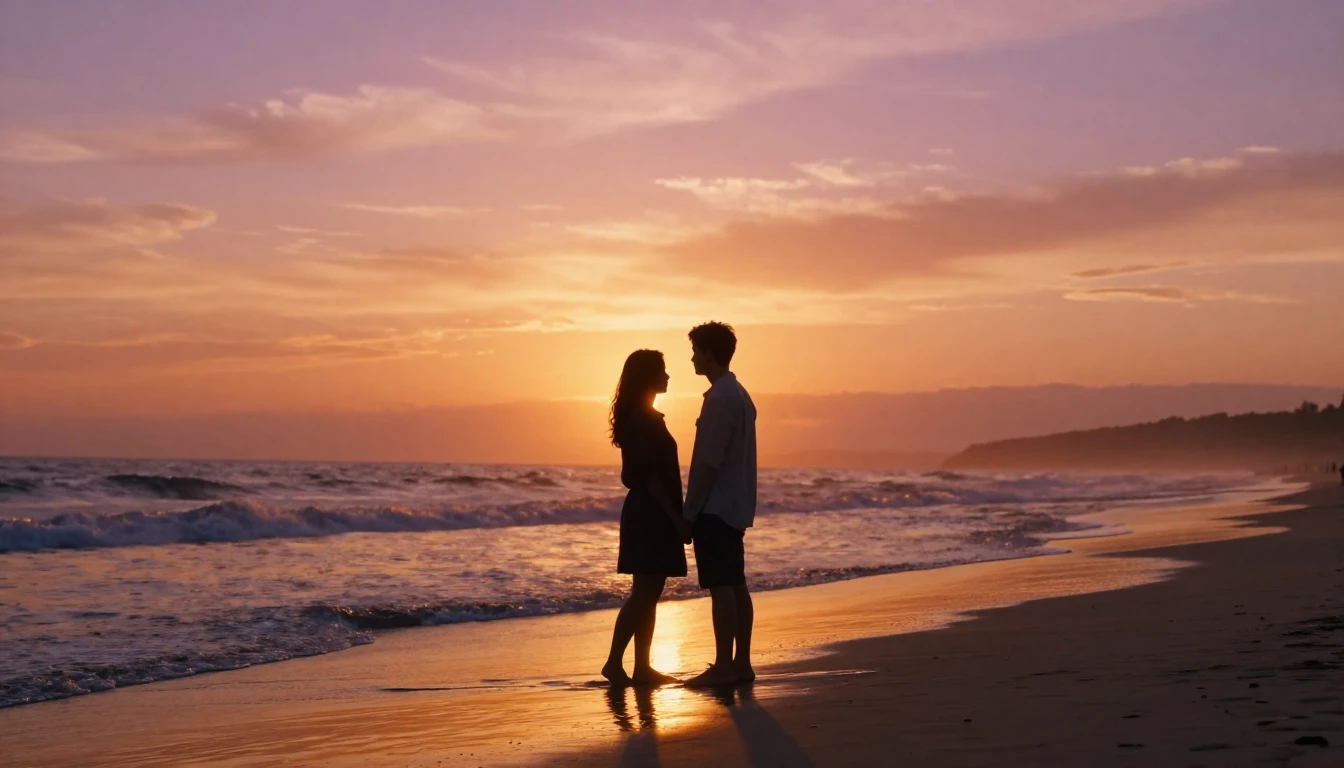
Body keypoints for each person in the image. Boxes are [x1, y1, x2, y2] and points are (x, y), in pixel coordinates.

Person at [602, 349, 693, 687]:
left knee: (649, 591)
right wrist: (676, 518)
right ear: (647, 377)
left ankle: (642, 667)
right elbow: (650, 477)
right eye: (662, 371)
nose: (667, 376)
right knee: (643, 592)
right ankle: (614, 662)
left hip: (651, 512)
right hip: (649, 513)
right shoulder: (641, 421)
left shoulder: (647, 417)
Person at [681, 322, 758, 688]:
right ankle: (740, 662)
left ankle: (725, 665)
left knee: (723, 586)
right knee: (736, 584)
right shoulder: (740, 395)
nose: (693, 357)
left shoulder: (720, 399)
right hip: (736, 503)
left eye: (697, 351)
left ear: (710, 353)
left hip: (716, 506)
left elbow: (708, 462)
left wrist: (690, 510)